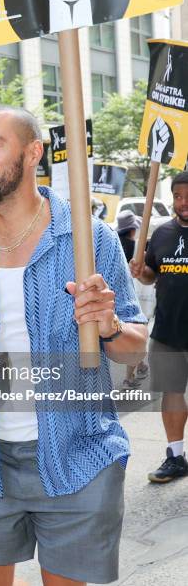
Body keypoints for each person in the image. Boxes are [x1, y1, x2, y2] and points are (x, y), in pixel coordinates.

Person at [0, 106, 148, 586]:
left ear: (32, 153)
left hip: (78, 455)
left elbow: (135, 350)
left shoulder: (90, 240)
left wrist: (107, 325)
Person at [130, 171, 188, 484]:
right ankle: (175, 455)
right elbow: (153, 274)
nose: (183, 202)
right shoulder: (162, 234)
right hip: (167, 330)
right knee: (172, 392)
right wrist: (142, 271)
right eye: (178, 196)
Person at [116, 210, 149, 390]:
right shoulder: (137, 248)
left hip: (115, 299)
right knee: (137, 335)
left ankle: (141, 365)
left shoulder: (113, 244)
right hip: (135, 297)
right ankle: (128, 378)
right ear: (132, 229)